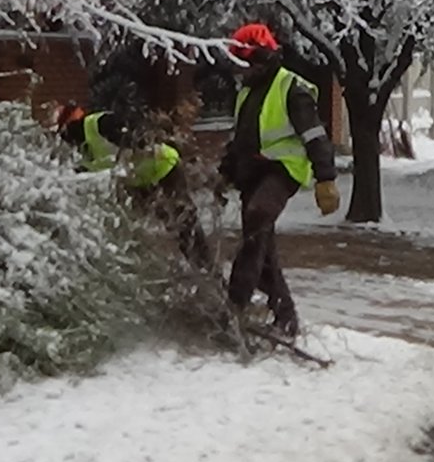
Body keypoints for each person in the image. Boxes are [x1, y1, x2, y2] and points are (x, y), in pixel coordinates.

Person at [218, 22, 338, 337]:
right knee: (262, 245)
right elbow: (241, 138)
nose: (242, 71)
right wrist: (225, 173)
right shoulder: (248, 92)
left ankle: (236, 302)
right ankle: (286, 316)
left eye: (246, 63)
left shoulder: (290, 87)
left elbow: (314, 135)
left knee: (257, 220)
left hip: (282, 171)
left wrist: (325, 178)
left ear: (261, 56)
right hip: (252, 174)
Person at [58, 104, 211, 269]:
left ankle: (206, 268)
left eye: (64, 136)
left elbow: (135, 131)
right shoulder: (81, 155)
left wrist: (134, 146)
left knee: (184, 221)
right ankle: (188, 266)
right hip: (141, 185)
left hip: (164, 168)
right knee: (163, 226)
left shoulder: (98, 123)